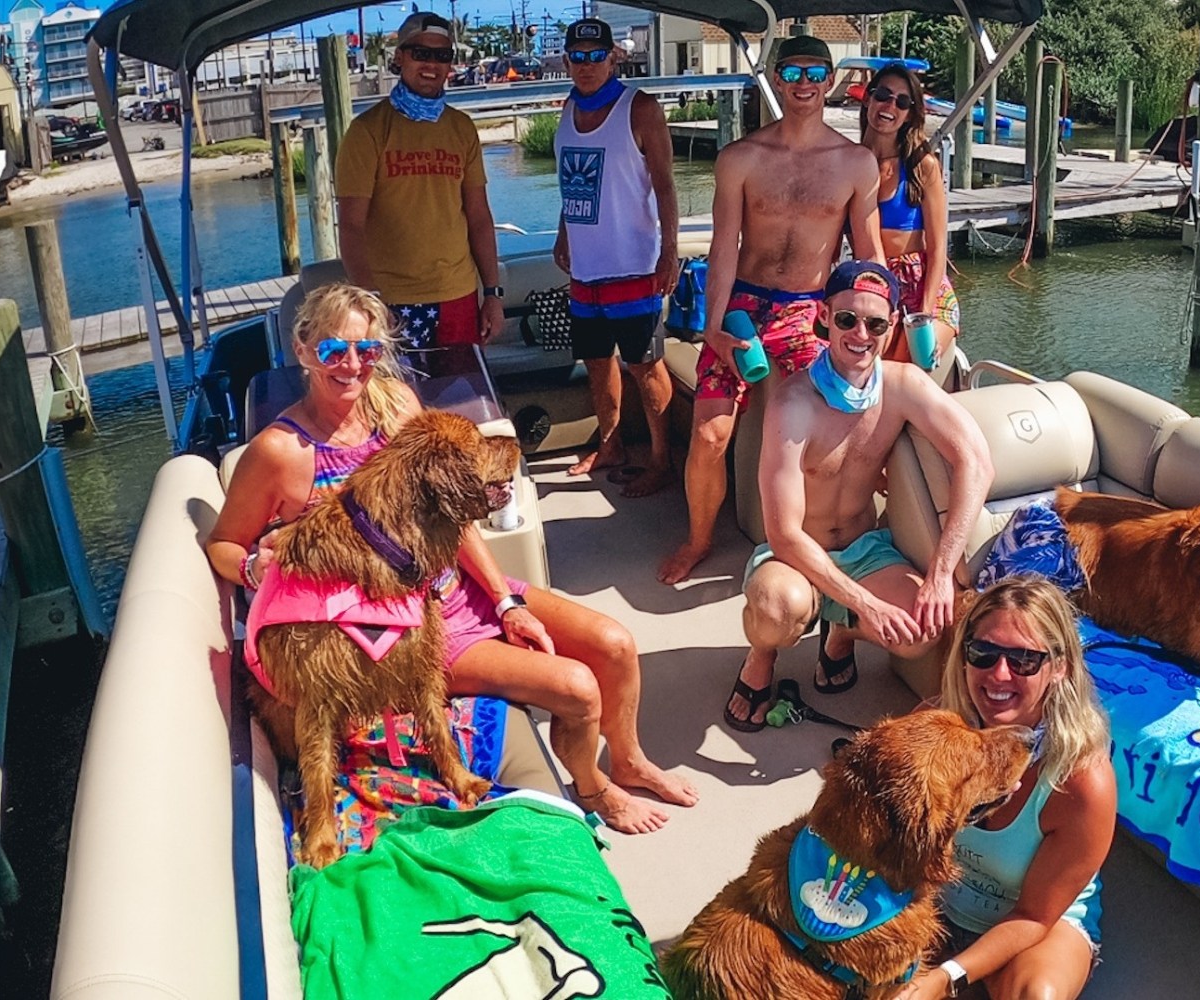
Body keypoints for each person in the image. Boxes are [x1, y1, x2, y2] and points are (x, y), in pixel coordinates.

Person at [204, 283, 696, 834]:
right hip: (396, 628)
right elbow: (224, 544)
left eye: (366, 352)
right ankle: (595, 790)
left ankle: (626, 760)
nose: (351, 366)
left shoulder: (396, 406)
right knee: (578, 688)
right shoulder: (279, 451)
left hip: (456, 586)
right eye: (332, 351)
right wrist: (254, 568)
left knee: (616, 646)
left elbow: (451, 520)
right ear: (302, 350)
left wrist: (506, 601)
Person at [657, 34, 886, 585]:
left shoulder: (855, 164)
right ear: (777, 80)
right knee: (711, 434)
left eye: (815, 73)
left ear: (830, 82)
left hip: (810, 311)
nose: (804, 83)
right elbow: (723, 246)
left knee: (826, 426)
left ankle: (817, 538)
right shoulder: (741, 158)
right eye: (793, 72)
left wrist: (873, 324)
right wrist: (712, 327)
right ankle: (698, 540)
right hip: (744, 308)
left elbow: (868, 254)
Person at [726, 261, 991, 730]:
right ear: (825, 317)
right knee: (775, 608)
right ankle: (762, 655)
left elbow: (975, 460)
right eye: (847, 319)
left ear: (891, 328)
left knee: (922, 629)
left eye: (875, 323)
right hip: (795, 558)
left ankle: (841, 633)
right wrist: (869, 604)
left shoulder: (903, 385)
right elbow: (784, 535)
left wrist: (940, 573)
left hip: (865, 549)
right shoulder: (793, 404)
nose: (860, 334)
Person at [897, 574, 1115, 1000]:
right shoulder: (932, 729)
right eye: (984, 652)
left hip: (1037, 924)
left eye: (1023, 660)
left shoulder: (1082, 781)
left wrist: (945, 978)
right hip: (937, 904)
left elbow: (1034, 915)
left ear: (1059, 667)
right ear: (963, 657)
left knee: (1036, 994)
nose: (999, 674)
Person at [552, 17, 681, 497]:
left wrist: (669, 252)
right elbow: (573, 182)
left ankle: (662, 459)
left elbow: (666, 185)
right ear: (567, 61)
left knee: (645, 364)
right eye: (577, 57)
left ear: (613, 57)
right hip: (585, 265)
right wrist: (564, 232)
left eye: (595, 55)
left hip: (634, 264)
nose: (586, 65)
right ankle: (610, 445)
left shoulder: (640, 108)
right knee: (596, 360)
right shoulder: (566, 108)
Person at [336, 12, 506, 364]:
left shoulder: (462, 128)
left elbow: (479, 217)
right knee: (398, 412)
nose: (431, 64)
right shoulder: (366, 131)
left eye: (442, 56)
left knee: (460, 410)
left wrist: (491, 294)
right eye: (420, 53)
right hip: (390, 302)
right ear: (399, 57)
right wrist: (372, 303)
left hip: (458, 296)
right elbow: (350, 226)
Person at [856, 63, 960, 366]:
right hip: (873, 282)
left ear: (910, 114)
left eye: (902, 102)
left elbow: (939, 246)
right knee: (868, 365)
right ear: (868, 98)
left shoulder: (922, 165)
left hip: (924, 284)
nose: (890, 106)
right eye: (883, 96)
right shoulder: (848, 163)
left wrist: (924, 313)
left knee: (912, 358)